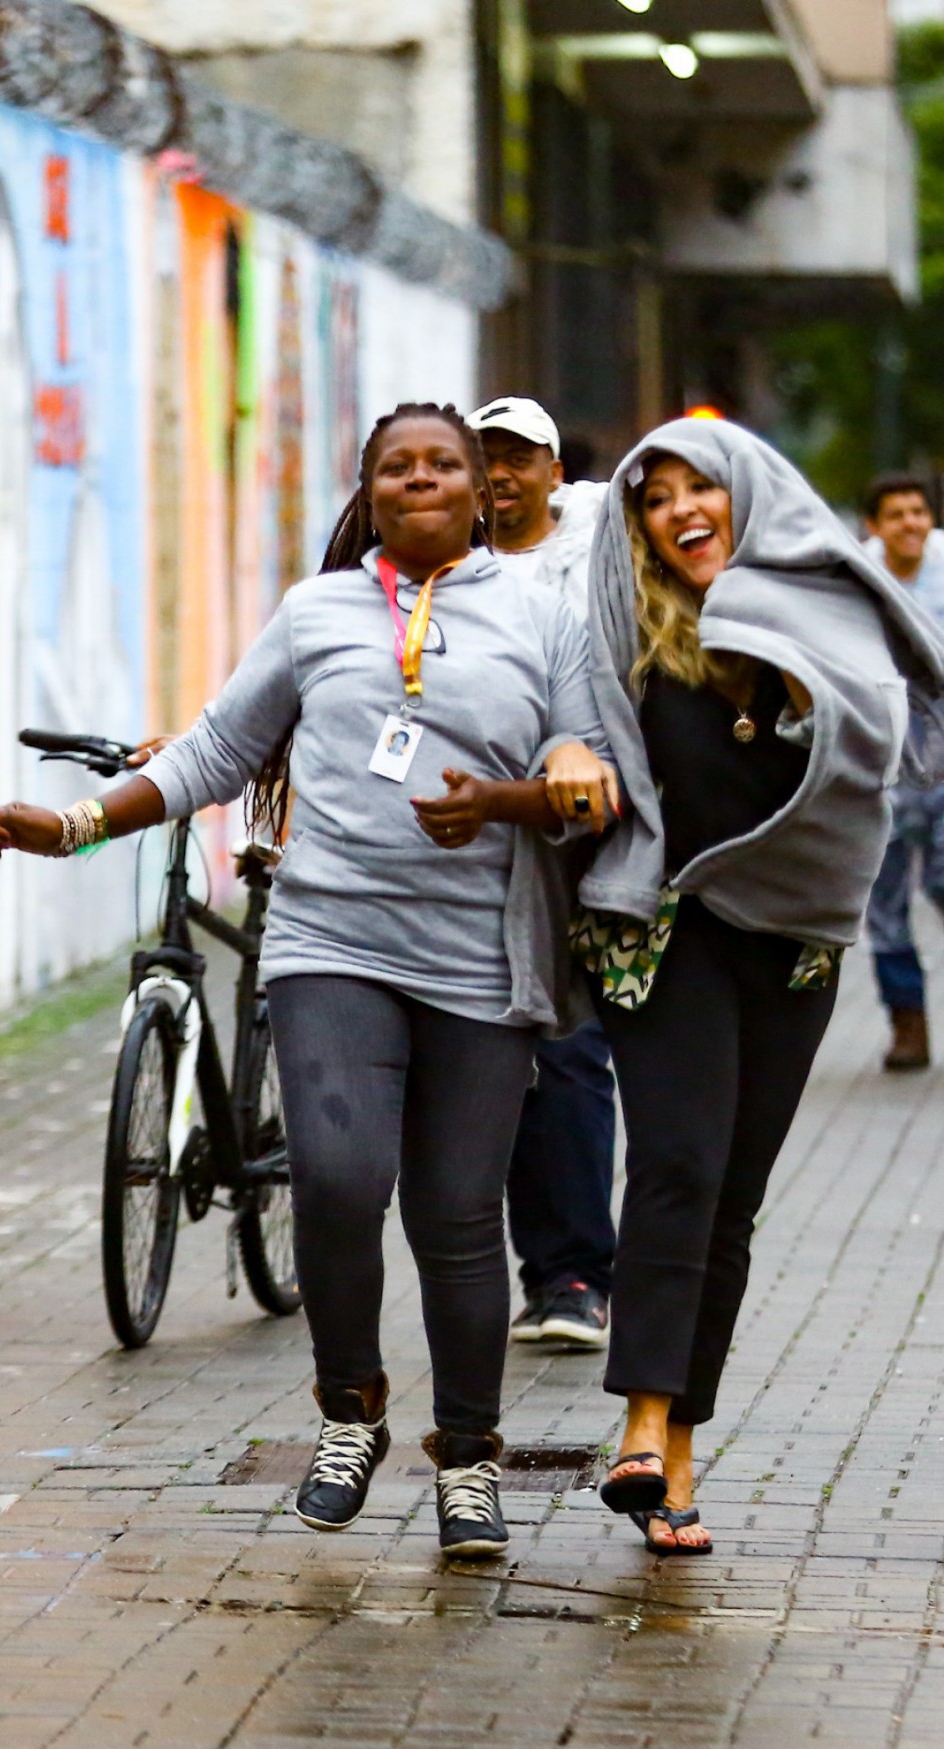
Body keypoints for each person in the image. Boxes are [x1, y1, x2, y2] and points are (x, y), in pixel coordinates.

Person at [0, 400, 620, 1560]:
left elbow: (589, 769)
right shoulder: (317, 612)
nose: (416, 480)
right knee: (335, 1177)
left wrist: (528, 790)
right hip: (331, 941)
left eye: (441, 465)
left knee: (457, 1218)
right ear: (367, 490)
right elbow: (216, 752)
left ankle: (468, 1464)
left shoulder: (542, 612)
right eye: (393, 467)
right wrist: (71, 824)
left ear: (480, 491)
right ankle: (350, 1411)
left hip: (480, 956)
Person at [576, 417, 944, 1557]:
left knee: (729, 1195)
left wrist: (797, 683)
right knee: (677, 1165)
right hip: (669, 929)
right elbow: (573, 729)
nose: (682, 508)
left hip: (793, 942)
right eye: (657, 495)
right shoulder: (624, 631)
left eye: (703, 487)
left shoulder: (824, 615)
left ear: (750, 496)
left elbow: (882, 753)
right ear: (635, 523)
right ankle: (638, 1430)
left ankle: (678, 1449)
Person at [466, 395, 615, 1350]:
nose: (500, 474)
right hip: (466, 835)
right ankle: (528, 1272)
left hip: (575, 835)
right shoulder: (449, 570)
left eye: (519, 457)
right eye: (485, 458)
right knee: (497, 1056)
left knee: (564, 1047)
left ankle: (573, 1278)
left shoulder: (594, 549)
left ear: (553, 472)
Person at [863, 474, 944, 1069]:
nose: (910, 523)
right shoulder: (857, 577)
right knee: (885, 906)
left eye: (918, 512)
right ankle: (907, 1023)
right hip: (881, 768)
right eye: (896, 515)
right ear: (875, 525)